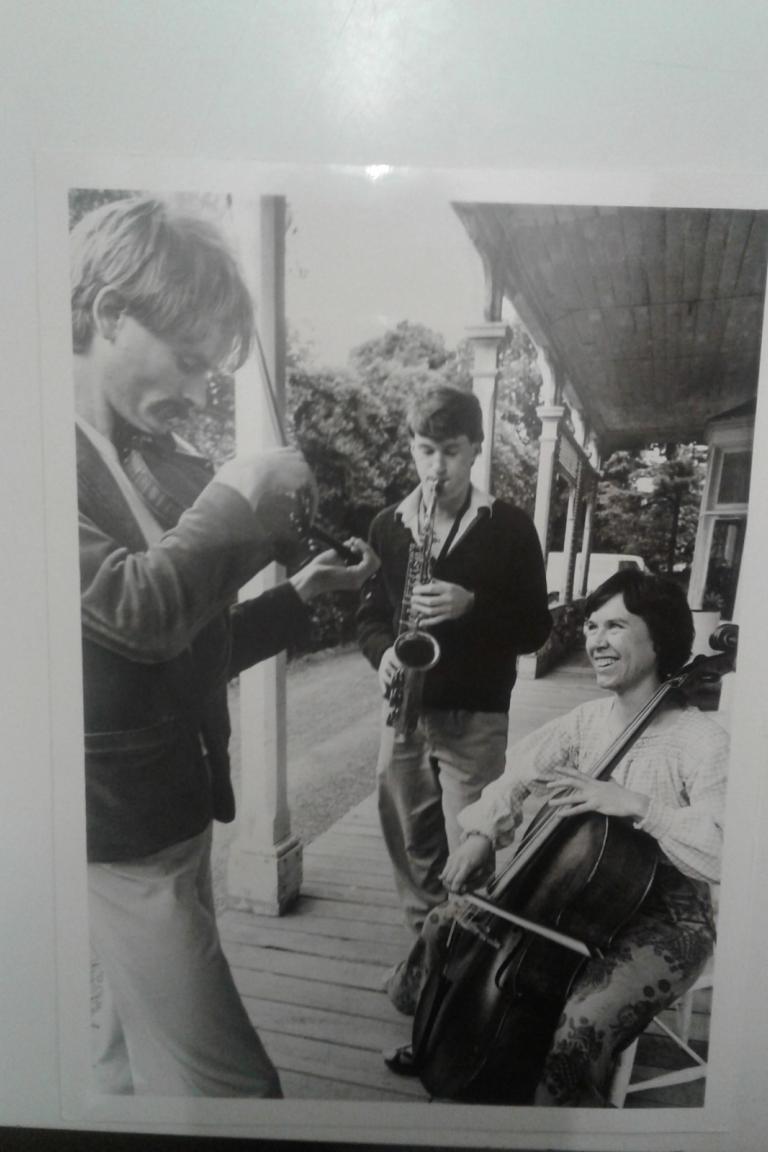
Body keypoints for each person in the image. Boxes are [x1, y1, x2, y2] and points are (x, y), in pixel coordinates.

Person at [71, 195, 378, 1097]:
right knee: (235, 1094)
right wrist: (240, 492)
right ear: (111, 313)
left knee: (123, 1063)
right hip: (117, 826)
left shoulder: (123, 455)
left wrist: (299, 599)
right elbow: (139, 609)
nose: (200, 394)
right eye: (191, 361)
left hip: (170, 808)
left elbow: (175, 650)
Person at [429, 569, 729, 1106]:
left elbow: (724, 851)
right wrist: (479, 834)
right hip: (578, 895)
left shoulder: (700, 741)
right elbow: (519, 776)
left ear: (658, 638)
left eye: (614, 626)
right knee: (447, 924)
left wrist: (639, 806)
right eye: (591, 626)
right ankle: (444, 1044)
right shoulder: (587, 721)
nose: (594, 640)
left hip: (667, 918)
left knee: (578, 1029)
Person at [356, 383, 551, 1010]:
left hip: (475, 717)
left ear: (476, 450)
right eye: (425, 450)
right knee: (411, 844)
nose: (436, 467)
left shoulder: (511, 527)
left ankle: (460, 973)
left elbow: (537, 629)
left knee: (472, 848)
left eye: (451, 452)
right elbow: (368, 617)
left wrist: (473, 607)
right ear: (412, 448)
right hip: (404, 714)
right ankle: (426, 951)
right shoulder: (389, 525)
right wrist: (383, 650)